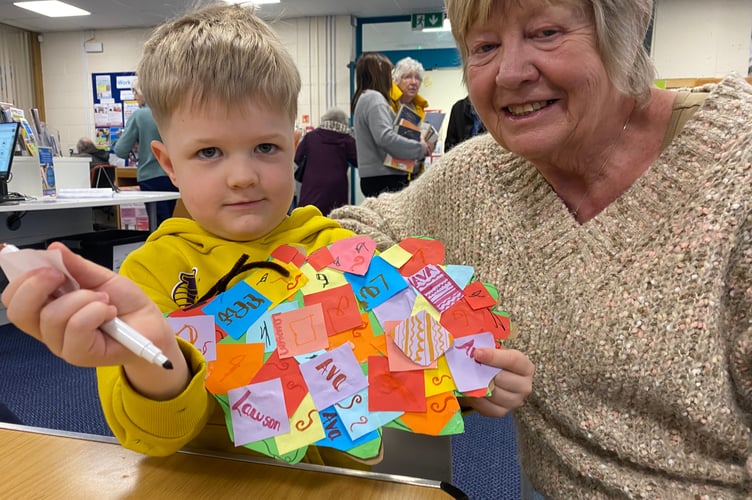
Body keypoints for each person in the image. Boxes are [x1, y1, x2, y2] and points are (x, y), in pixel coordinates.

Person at [0, 2, 533, 471]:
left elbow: (397, 365)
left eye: (265, 148)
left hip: (332, 481)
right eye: (209, 152)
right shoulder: (148, 276)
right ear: (168, 164)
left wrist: (466, 379)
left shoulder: (338, 248)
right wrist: (157, 357)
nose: (242, 176)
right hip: (206, 482)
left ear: (294, 145)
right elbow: (150, 438)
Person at [330, 0, 752, 497]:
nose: (509, 73)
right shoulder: (479, 178)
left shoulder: (735, 170)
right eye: (484, 46)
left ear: (623, 28)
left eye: (546, 32)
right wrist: (441, 348)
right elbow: (353, 232)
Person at [351, 52, 433, 197]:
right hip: (385, 177)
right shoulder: (375, 99)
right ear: (380, 73)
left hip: (374, 177)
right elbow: (385, 137)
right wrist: (420, 148)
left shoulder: (363, 98)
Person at [113, 78, 178, 230]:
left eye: (135, 92)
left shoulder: (140, 115)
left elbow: (121, 150)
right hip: (174, 174)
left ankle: (159, 251)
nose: (135, 97)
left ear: (143, 92)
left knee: (157, 222)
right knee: (168, 218)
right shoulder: (170, 112)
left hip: (150, 176)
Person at [294, 107, 357, 215]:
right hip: (337, 191)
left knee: (308, 220)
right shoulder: (347, 140)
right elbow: (357, 161)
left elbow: (297, 158)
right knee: (335, 220)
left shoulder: (311, 137)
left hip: (311, 191)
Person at [389, 57, 430, 179]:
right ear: (396, 80)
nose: (414, 82)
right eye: (407, 77)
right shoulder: (389, 104)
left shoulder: (419, 107)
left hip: (416, 172)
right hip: (393, 174)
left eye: (417, 78)